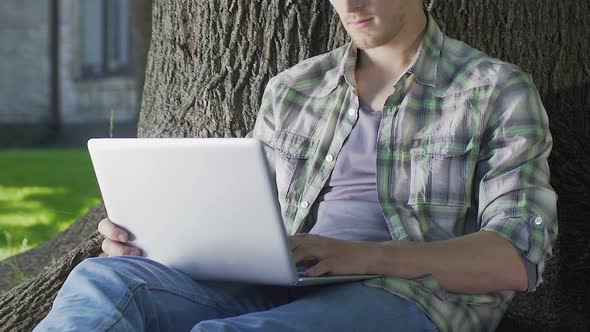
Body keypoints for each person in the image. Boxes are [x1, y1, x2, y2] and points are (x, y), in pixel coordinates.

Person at [35, 0, 557, 331]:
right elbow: (243, 209)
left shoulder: (494, 89)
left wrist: (362, 256)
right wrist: (154, 238)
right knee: (104, 282)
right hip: (286, 277)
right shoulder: (294, 88)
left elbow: (515, 258)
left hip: (411, 295)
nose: (350, 5)